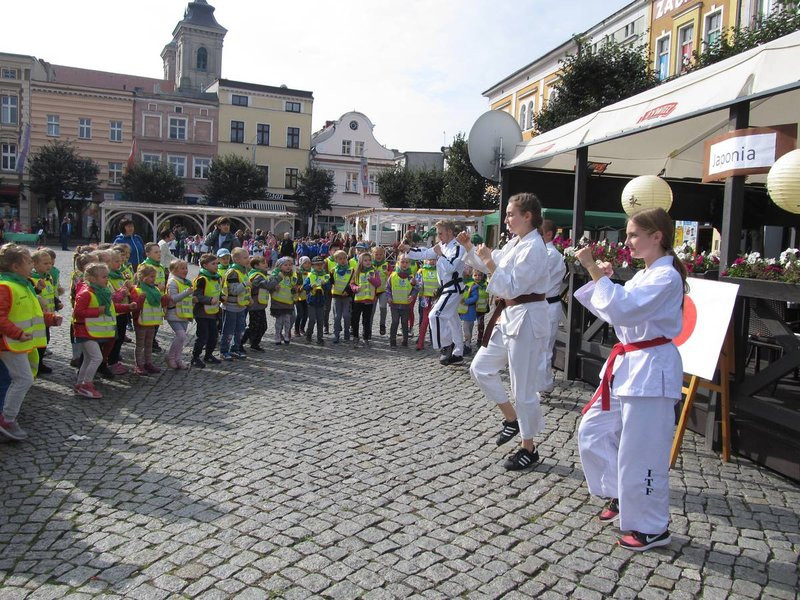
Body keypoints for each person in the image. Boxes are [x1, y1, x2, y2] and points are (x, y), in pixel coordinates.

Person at [573, 207, 686, 552]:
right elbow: (614, 311)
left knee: (643, 453)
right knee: (592, 431)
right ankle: (621, 494)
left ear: (658, 237)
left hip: (652, 370)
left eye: (635, 234)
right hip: (629, 365)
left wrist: (595, 270)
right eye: (628, 234)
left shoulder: (666, 277)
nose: (628, 241)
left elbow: (626, 309)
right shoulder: (645, 275)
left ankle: (652, 527)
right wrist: (600, 281)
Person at [460, 193, 550, 471]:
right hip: (509, 316)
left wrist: (488, 263)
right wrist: (470, 249)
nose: (507, 219)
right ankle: (511, 419)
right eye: (507, 214)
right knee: (480, 368)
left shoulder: (535, 248)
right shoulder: (515, 243)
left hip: (526, 318)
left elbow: (509, 286)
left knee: (522, 388)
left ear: (528, 217)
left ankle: (529, 446)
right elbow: (492, 261)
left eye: (512, 214)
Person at [0, 244, 63, 440]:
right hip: (10, 342)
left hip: (21, 342)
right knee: (24, 379)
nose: (31, 265)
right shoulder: (6, 286)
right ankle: (7, 419)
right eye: (28, 261)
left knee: (17, 379)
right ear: (15, 267)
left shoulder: (24, 284)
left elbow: (32, 312)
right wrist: (17, 333)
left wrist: (49, 319)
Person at [400, 221, 466, 365]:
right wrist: (408, 249)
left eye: (440, 233)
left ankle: (446, 345)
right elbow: (424, 253)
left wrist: (440, 255)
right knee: (453, 320)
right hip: (447, 288)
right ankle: (458, 352)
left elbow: (451, 268)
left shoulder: (457, 248)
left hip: (453, 287)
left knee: (434, 315)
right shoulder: (442, 246)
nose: (438, 236)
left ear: (449, 232)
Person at [72, 263, 135, 397]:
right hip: (85, 331)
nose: (107, 279)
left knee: (89, 359)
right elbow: (77, 312)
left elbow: (112, 308)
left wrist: (128, 307)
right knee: (96, 358)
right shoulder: (85, 294)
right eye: (104, 277)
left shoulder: (104, 292)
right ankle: (87, 384)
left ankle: (80, 384)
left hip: (93, 331)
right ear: (93, 279)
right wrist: (96, 311)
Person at [541, 219, 567, 394]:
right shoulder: (544, 253)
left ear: (549, 234)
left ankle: (544, 385)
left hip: (548, 305)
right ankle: (542, 383)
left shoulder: (550, 255)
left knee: (544, 349)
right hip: (541, 305)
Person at [129, 264, 169, 375]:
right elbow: (134, 307)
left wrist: (165, 300)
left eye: (154, 277)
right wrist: (140, 300)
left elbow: (158, 303)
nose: (153, 279)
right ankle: (139, 365)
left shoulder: (155, 290)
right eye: (151, 277)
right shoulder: (136, 290)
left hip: (152, 322)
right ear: (142, 277)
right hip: (141, 322)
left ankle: (148, 363)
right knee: (140, 344)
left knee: (149, 344)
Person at [30, 249, 61, 375]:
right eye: (45, 263)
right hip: (36, 316)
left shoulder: (49, 277)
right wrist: (37, 289)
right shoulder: (31, 279)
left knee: (45, 339)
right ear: (34, 264)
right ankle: (35, 365)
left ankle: (40, 362)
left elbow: (51, 292)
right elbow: (32, 294)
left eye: (50, 263)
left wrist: (57, 302)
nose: (49, 266)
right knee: (38, 341)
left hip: (47, 314)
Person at [219, 247, 251, 361]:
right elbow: (233, 290)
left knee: (240, 330)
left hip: (241, 306)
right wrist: (245, 284)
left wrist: (249, 298)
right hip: (231, 306)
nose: (248, 259)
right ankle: (224, 350)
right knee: (228, 329)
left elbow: (246, 290)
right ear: (237, 260)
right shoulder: (233, 272)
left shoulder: (243, 270)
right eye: (245, 257)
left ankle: (235, 348)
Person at [191, 254, 222, 368]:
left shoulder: (216, 277)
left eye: (217, 263)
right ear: (205, 265)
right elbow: (197, 296)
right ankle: (195, 357)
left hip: (213, 312)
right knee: (202, 337)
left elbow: (217, 292)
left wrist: (223, 297)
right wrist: (209, 300)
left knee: (213, 336)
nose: (216, 266)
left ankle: (208, 355)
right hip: (202, 313)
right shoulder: (202, 279)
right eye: (213, 264)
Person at [165, 259, 194, 369]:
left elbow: (186, 298)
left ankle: (178, 359)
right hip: (174, 313)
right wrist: (187, 293)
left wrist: (193, 299)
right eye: (182, 268)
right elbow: (174, 298)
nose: (185, 270)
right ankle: (170, 357)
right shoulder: (173, 282)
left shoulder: (185, 282)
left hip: (184, 314)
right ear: (173, 270)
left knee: (181, 339)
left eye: (186, 268)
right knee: (181, 335)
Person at [349, 251, 381, 348]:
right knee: (355, 319)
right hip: (358, 299)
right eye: (365, 260)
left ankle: (365, 338)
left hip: (369, 300)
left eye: (369, 260)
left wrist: (372, 279)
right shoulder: (357, 271)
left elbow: (378, 283)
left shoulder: (374, 271)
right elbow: (352, 283)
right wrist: (355, 288)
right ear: (361, 262)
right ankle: (355, 336)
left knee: (366, 320)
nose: (368, 262)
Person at [385, 253, 418, 348]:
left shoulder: (411, 276)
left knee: (404, 322)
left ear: (409, 264)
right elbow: (388, 288)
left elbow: (415, 288)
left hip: (406, 305)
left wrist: (412, 296)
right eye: (402, 262)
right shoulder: (393, 275)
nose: (404, 264)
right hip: (394, 304)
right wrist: (389, 297)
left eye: (407, 262)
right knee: (395, 322)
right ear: (398, 263)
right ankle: (392, 340)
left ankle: (405, 340)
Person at [240, 257, 271, 352]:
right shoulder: (257, 276)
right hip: (254, 305)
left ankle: (254, 343)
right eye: (263, 263)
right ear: (256, 266)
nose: (266, 264)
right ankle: (240, 343)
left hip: (260, 305)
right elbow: (267, 285)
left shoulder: (261, 274)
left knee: (262, 326)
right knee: (254, 326)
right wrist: (278, 278)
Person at [267, 256, 299, 345]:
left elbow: (293, 286)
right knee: (279, 321)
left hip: (288, 302)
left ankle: (286, 335)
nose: (288, 267)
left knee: (287, 321)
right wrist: (274, 287)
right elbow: (269, 286)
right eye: (286, 265)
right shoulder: (275, 275)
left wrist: (295, 289)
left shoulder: (292, 276)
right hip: (278, 302)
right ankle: (277, 335)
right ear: (280, 266)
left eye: (290, 265)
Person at [303, 256, 331, 345]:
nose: (319, 266)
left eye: (321, 264)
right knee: (312, 320)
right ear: (313, 266)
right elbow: (305, 287)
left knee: (320, 320)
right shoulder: (310, 275)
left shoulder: (326, 276)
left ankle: (320, 338)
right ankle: (309, 335)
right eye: (317, 265)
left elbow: (329, 287)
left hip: (322, 302)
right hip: (312, 301)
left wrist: (324, 285)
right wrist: (311, 286)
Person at [329, 250, 353, 344]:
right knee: (337, 316)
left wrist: (348, 291)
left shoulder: (351, 270)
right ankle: (336, 334)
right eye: (340, 259)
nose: (343, 260)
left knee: (347, 316)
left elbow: (352, 282)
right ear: (336, 260)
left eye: (344, 258)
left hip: (347, 296)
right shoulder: (333, 270)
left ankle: (347, 331)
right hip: (336, 296)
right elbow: (330, 283)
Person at [414, 258, 439, 351]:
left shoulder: (439, 270)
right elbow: (418, 286)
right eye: (429, 259)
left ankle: (437, 341)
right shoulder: (421, 271)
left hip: (437, 299)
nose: (432, 261)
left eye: (434, 259)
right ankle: (420, 342)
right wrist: (415, 284)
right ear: (425, 260)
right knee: (425, 321)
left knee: (437, 321)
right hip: (426, 299)